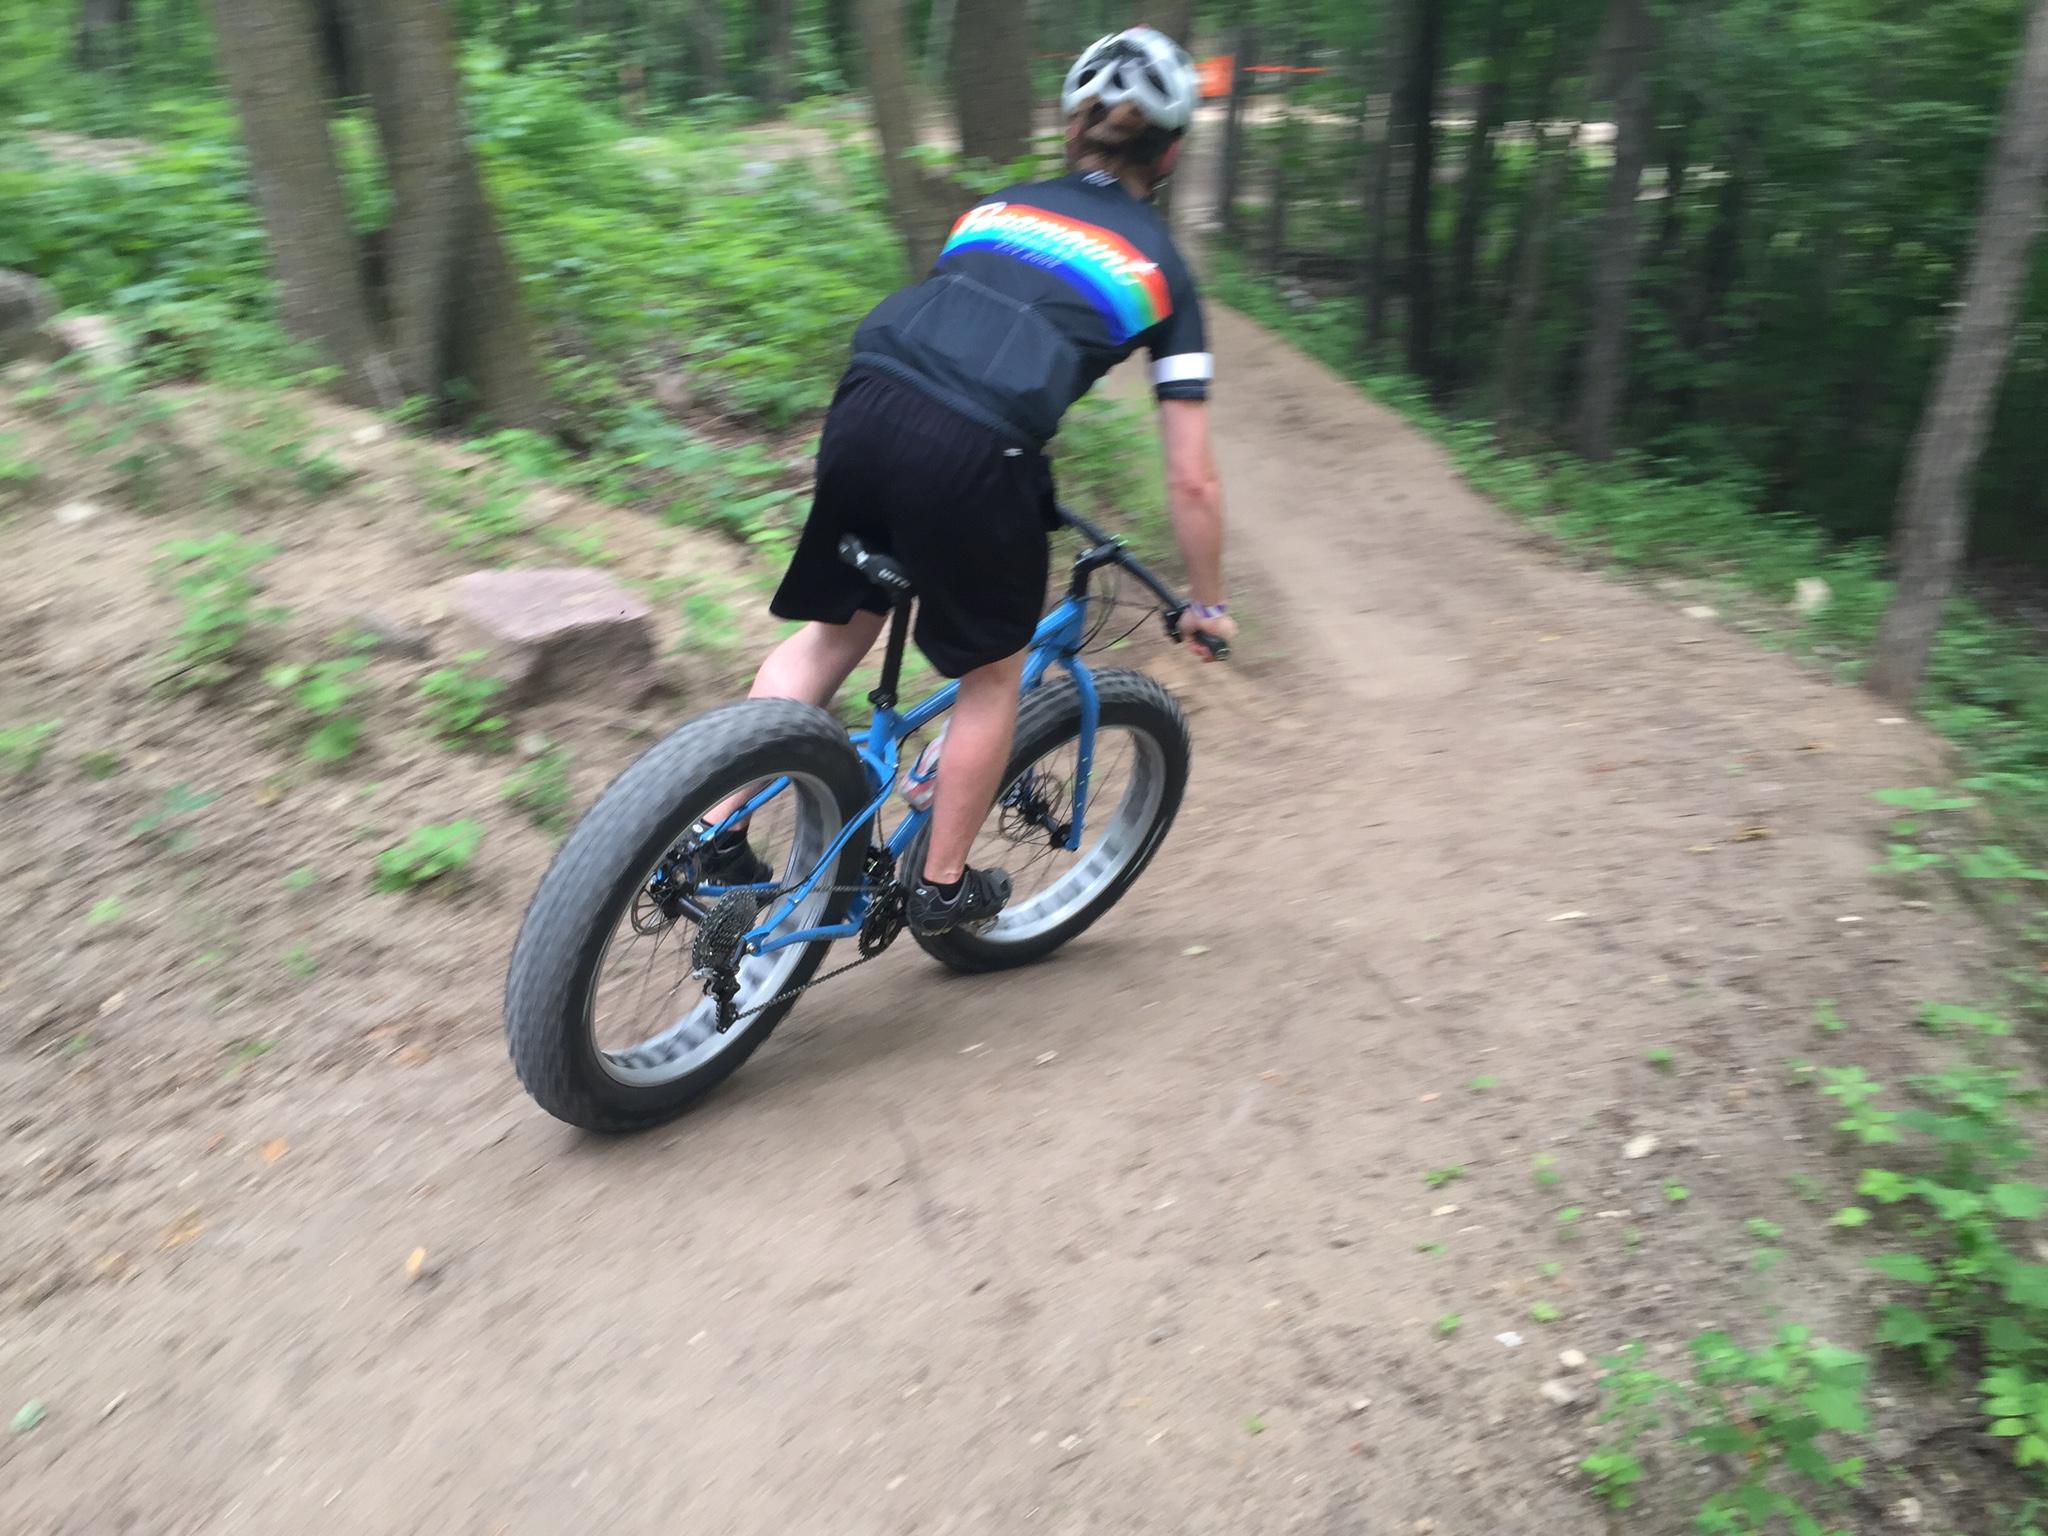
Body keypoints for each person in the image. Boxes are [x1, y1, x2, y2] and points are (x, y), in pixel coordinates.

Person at [701, 26, 1235, 936]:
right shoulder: (1163, 270)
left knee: (833, 635)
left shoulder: (994, 212)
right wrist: (1208, 604)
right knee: (994, 673)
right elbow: (1191, 480)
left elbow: (960, 336)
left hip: (866, 401)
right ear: (1172, 152)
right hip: (979, 449)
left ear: (1073, 130)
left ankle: (714, 829)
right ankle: (940, 890)